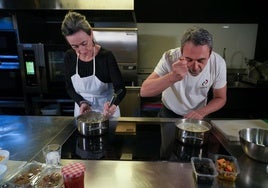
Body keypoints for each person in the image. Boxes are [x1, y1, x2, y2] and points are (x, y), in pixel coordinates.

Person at [140, 26, 227, 119]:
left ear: (210, 53)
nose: (195, 67)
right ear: (181, 51)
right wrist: (172, 77)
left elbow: (220, 98)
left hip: (199, 114)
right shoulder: (169, 57)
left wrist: (202, 112)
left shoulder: (218, 63)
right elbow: (144, 91)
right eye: (189, 59)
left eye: (201, 60)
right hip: (169, 113)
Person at [61, 11, 126, 117]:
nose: (82, 50)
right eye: (75, 46)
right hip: (82, 111)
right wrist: (81, 102)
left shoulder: (106, 57)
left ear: (91, 33)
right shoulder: (69, 57)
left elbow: (120, 89)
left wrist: (113, 105)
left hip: (106, 112)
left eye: (84, 43)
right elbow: (69, 87)